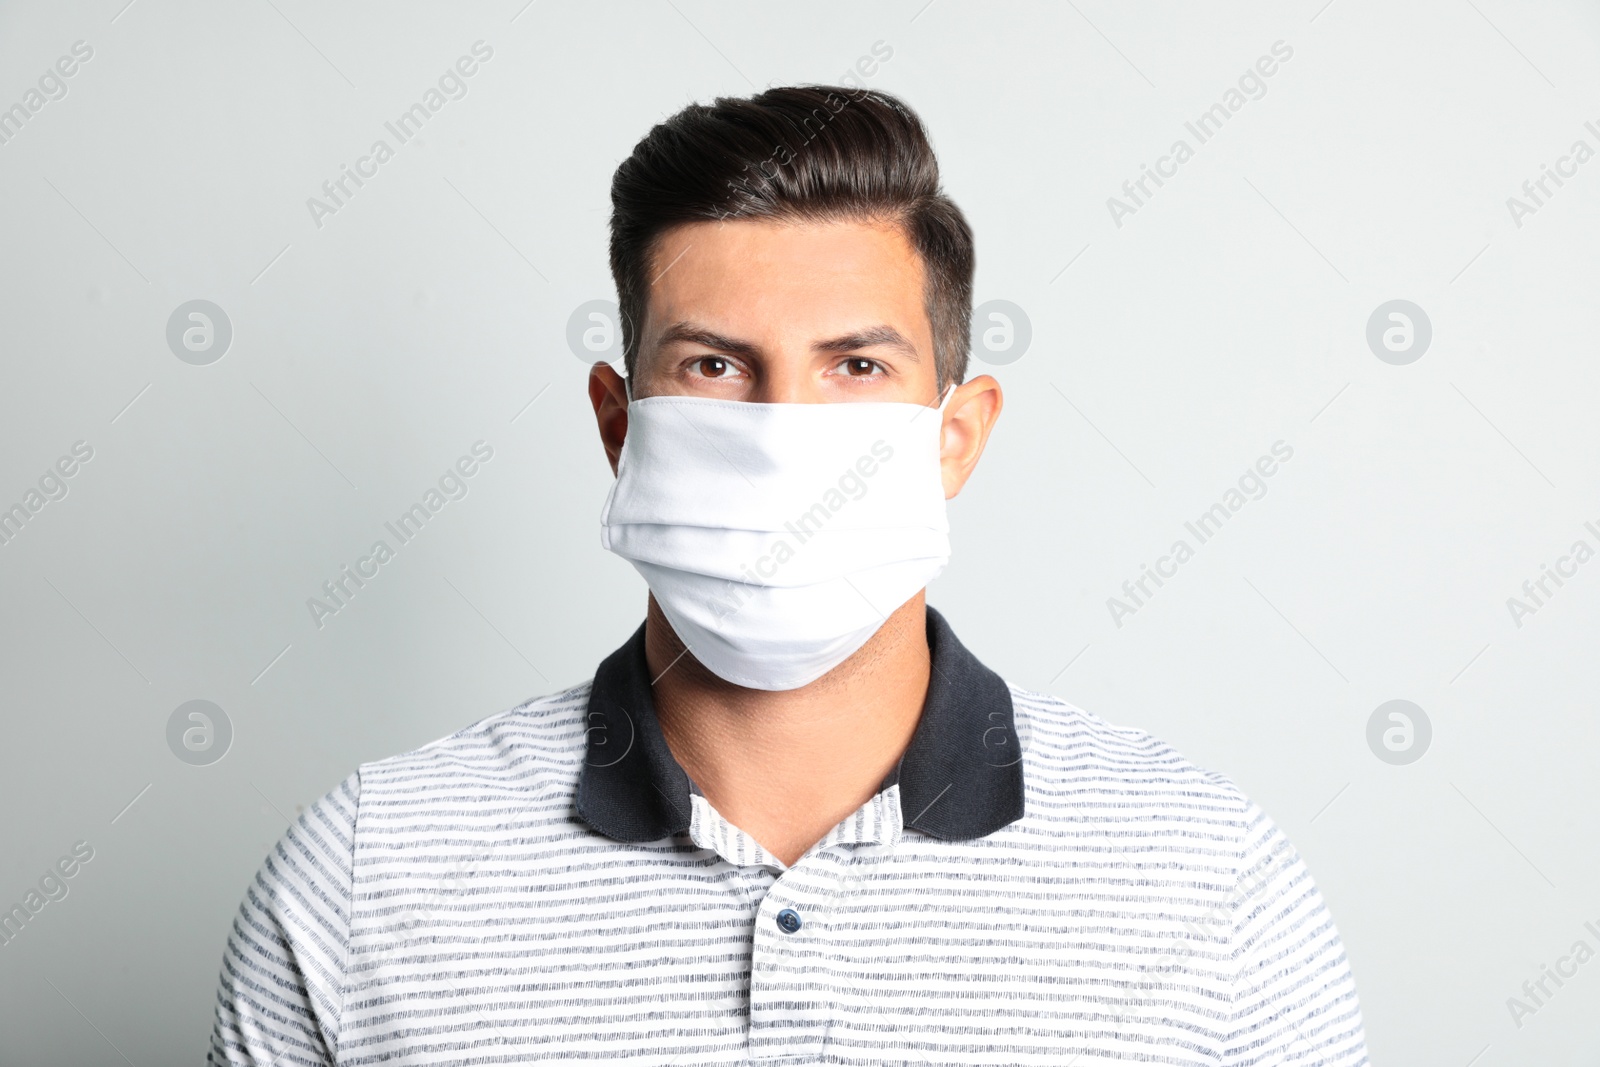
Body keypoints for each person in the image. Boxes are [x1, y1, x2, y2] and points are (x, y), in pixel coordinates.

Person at [209, 85, 1368, 1065]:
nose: (780, 433)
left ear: (954, 436)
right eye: (714, 364)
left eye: (856, 365)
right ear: (620, 424)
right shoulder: (367, 871)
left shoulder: (1210, 883)